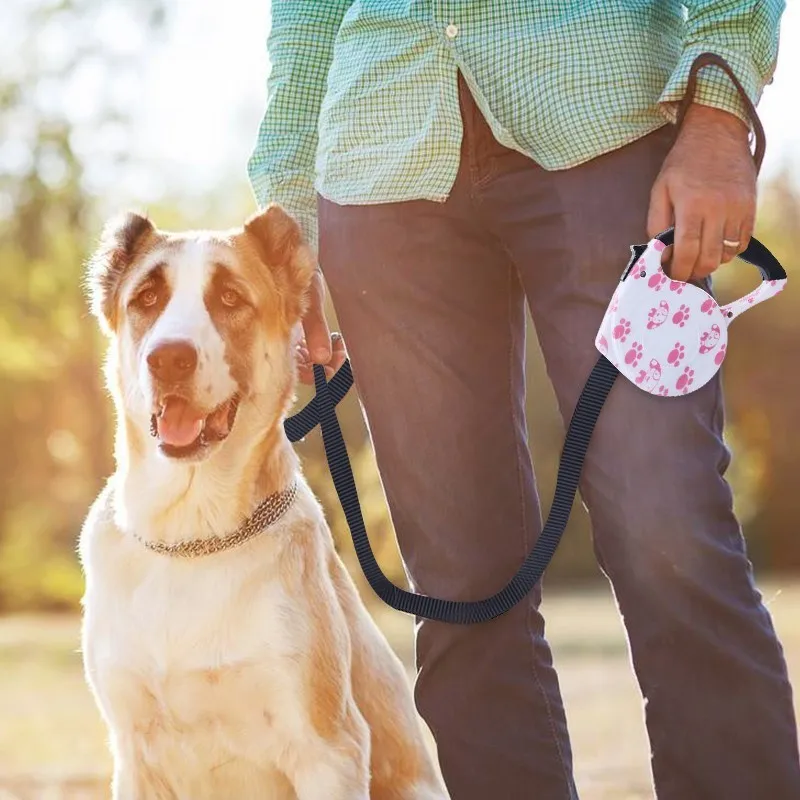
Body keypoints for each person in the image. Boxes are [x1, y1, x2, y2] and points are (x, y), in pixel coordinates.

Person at [248, 2, 800, 798]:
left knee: (668, 536)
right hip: (380, 161)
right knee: (458, 593)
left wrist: (718, 105)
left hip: (603, 112)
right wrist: (288, 220)